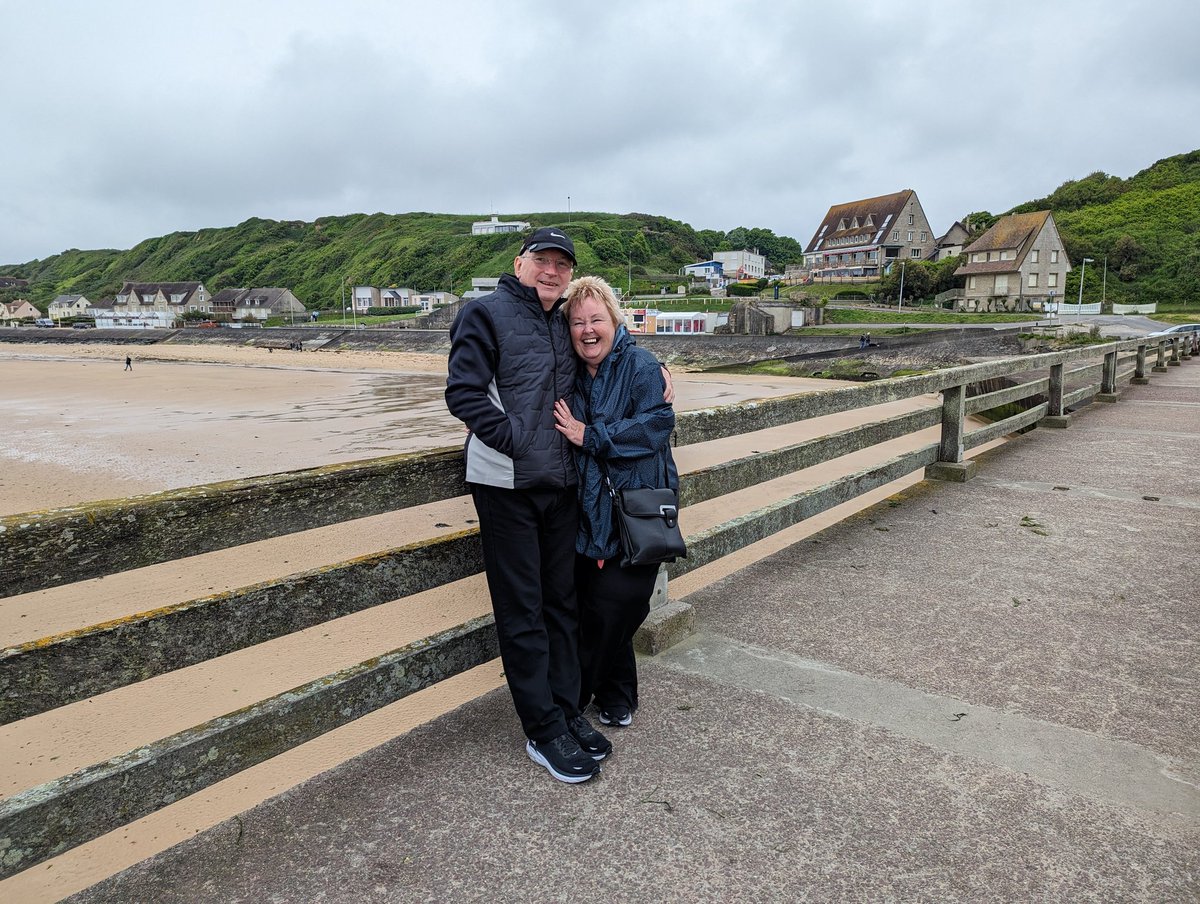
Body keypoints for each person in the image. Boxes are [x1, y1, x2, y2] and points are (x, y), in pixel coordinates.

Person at [445, 227, 612, 784]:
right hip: (506, 486)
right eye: (542, 261)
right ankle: (542, 730)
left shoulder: (562, 319)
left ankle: (565, 711)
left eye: (562, 265)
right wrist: (518, 439)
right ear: (520, 264)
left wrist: (655, 371)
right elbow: (463, 393)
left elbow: (605, 346)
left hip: (561, 483)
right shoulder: (485, 314)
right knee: (523, 611)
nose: (552, 272)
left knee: (562, 604)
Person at [552, 275, 678, 730]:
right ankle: (618, 696)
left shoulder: (641, 366)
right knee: (595, 609)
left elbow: (657, 424)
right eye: (578, 322)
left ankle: (571, 700)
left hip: (635, 513)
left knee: (619, 606)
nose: (588, 330)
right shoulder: (567, 370)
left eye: (597, 320)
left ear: (615, 321)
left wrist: (592, 435)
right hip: (586, 516)